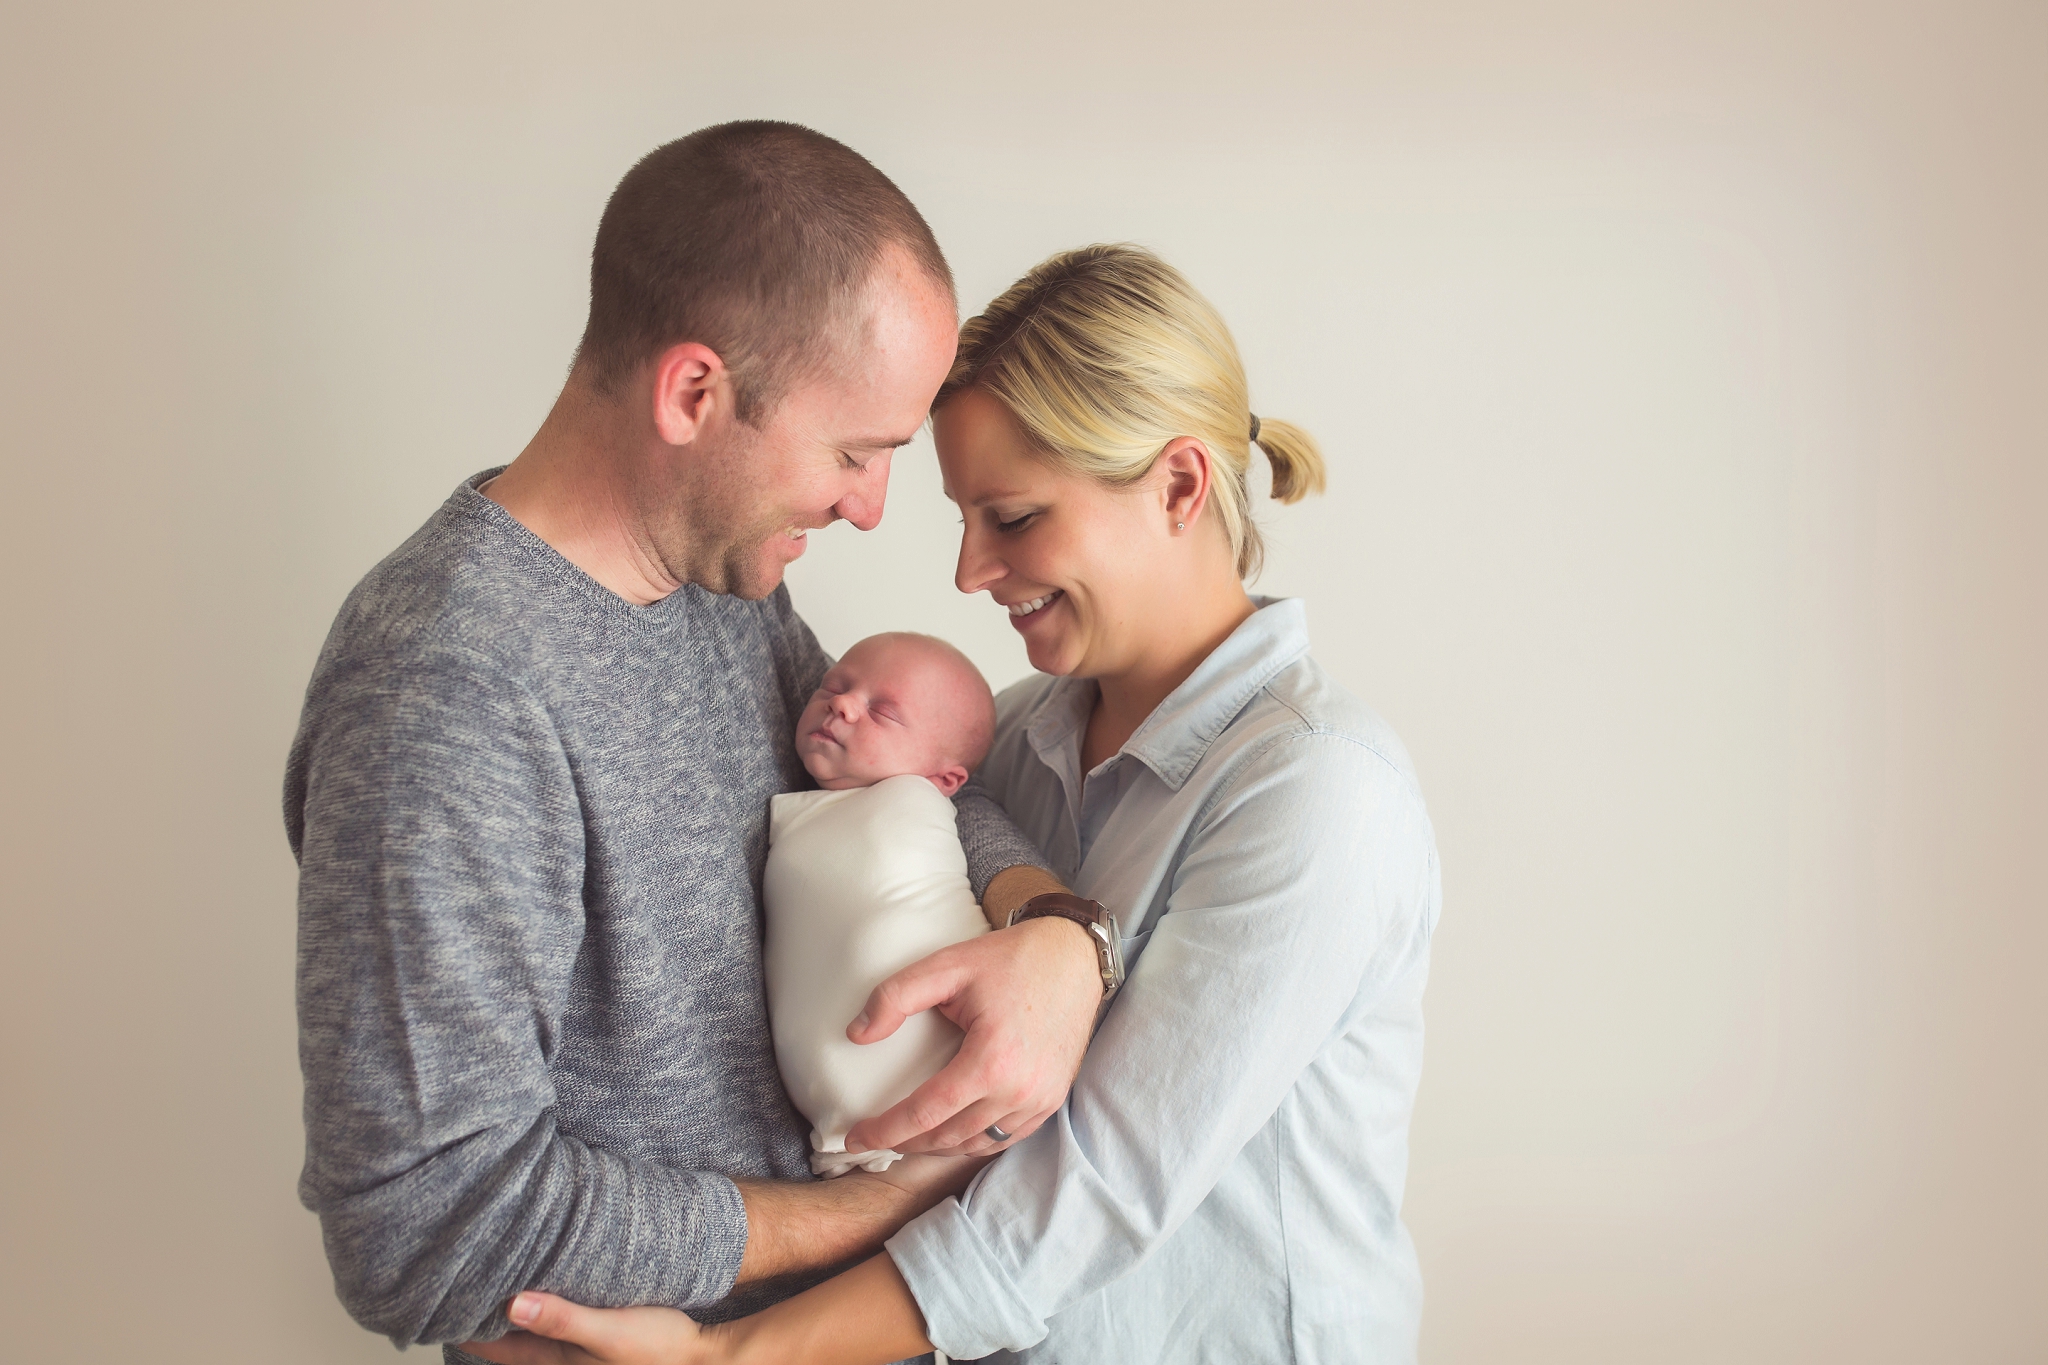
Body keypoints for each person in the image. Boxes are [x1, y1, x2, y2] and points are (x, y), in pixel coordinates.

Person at [464, 245, 1443, 1364]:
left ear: (1178, 486)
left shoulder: (1317, 794)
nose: (971, 572)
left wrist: (726, 1356)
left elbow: (1091, 1188)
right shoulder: (1006, 740)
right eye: (962, 518)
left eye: (1014, 517)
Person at [284, 123, 1112, 1360]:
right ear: (693, 393)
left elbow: (905, 784)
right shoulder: (445, 694)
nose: (870, 508)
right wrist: (854, 1214)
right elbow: (425, 1230)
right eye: (854, 452)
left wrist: (1053, 928)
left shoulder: (723, 582)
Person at [768, 632, 1001, 1177]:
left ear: (943, 781)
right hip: (840, 1133)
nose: (842, 704)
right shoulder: (809, 816)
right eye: (834, 686)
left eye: (884, 713)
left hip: (949, 1083)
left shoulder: (915, 804)